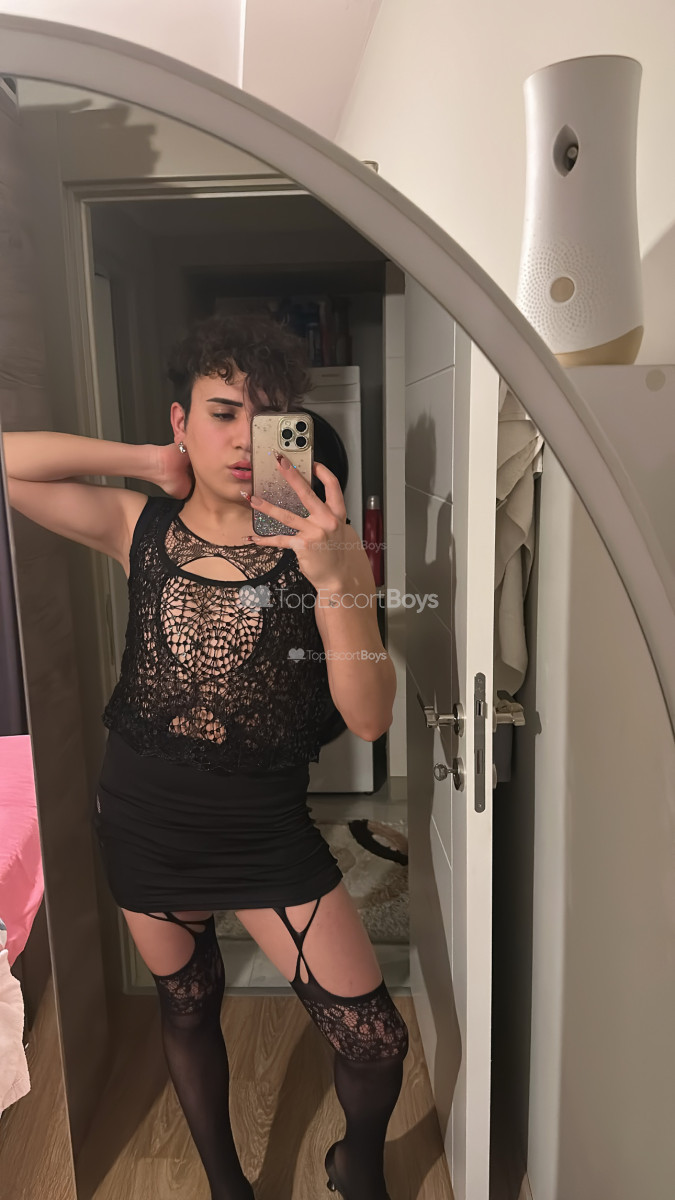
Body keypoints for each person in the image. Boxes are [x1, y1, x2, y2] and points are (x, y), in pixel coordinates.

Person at [4, 312, 409, 1200]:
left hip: (267, 831)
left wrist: (341, 578)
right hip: (143, 820)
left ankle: (359, 1166)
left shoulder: (321, 552)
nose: (241, 439)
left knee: (374, 1038)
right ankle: (228, 1186)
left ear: (292, 435)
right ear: (181, 420)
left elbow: (370, 719)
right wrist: (147, 462)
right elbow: (10, 460)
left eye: (267, 420)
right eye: (222, 412)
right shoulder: (137, 526)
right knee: (188, 1007)